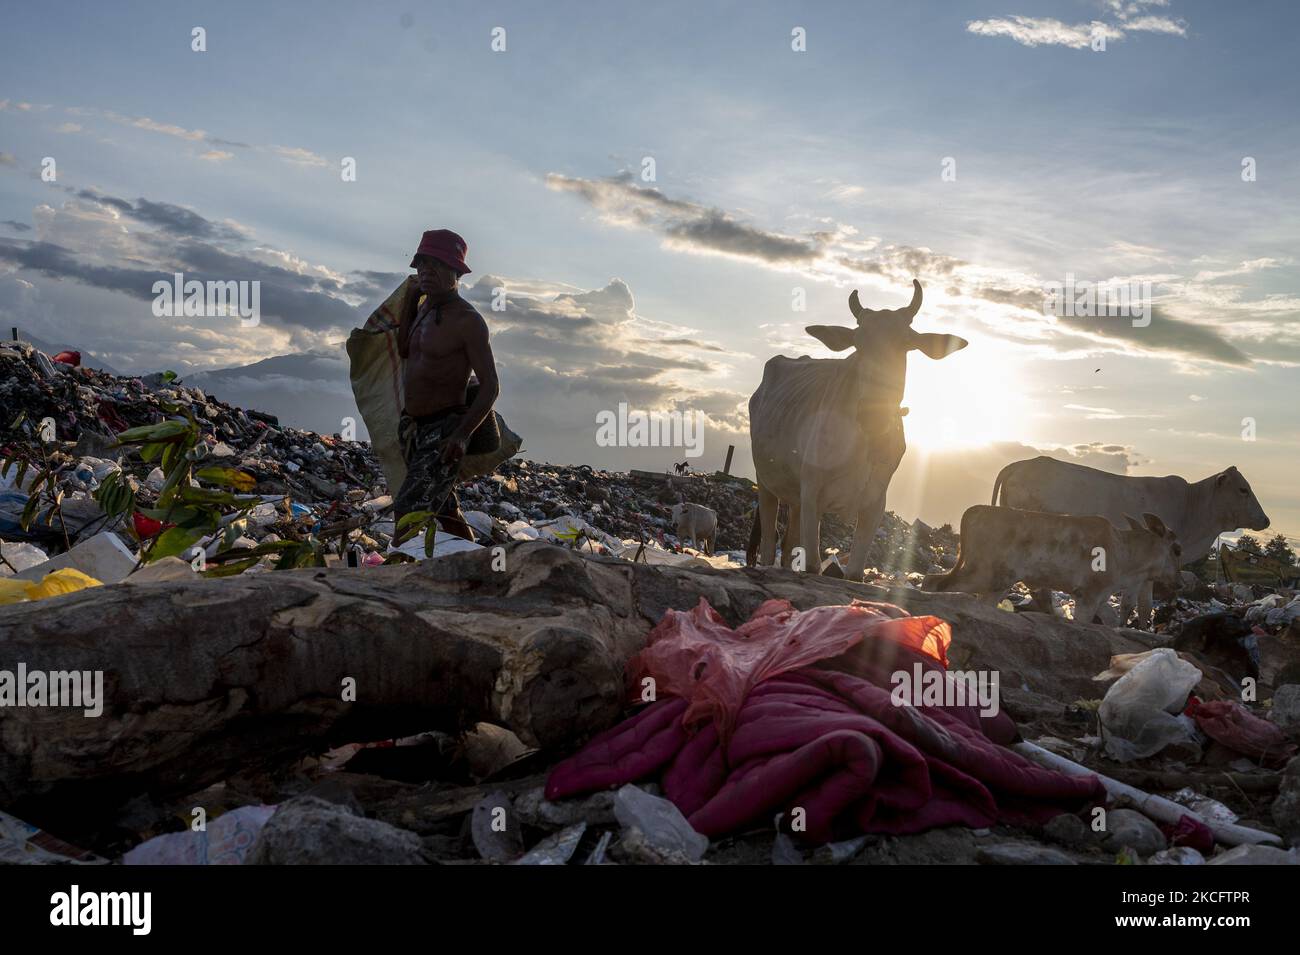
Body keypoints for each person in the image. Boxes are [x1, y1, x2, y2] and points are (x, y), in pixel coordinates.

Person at [394, 229, 500, 540]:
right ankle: (476, 568)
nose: (426, 271)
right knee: (443, 507)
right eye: (422, 264)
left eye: (436, 264)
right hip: (413, 426)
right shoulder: (424, 308)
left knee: (407, 510)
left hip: (443, 430)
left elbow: (491, 385)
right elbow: (404, 351)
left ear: (456, 272)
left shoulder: (468, 321)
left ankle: (397, 581)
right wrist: (410, 301)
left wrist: (461, 435)